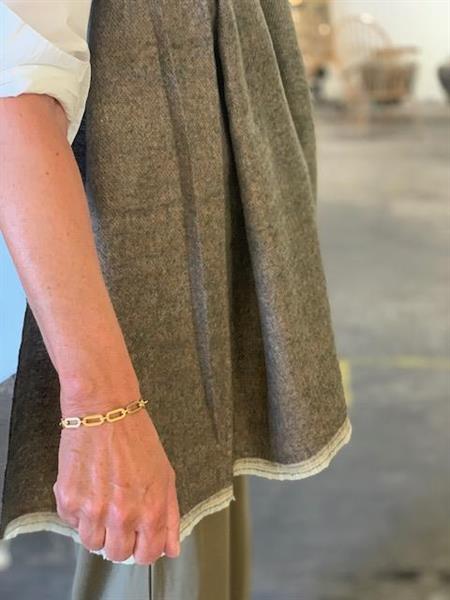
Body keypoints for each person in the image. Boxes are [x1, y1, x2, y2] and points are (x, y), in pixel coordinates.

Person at [0, 1, 352, 598]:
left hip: (202, 288)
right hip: (143, 304)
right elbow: (16, 97)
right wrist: (103, 408)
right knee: (153, 551)